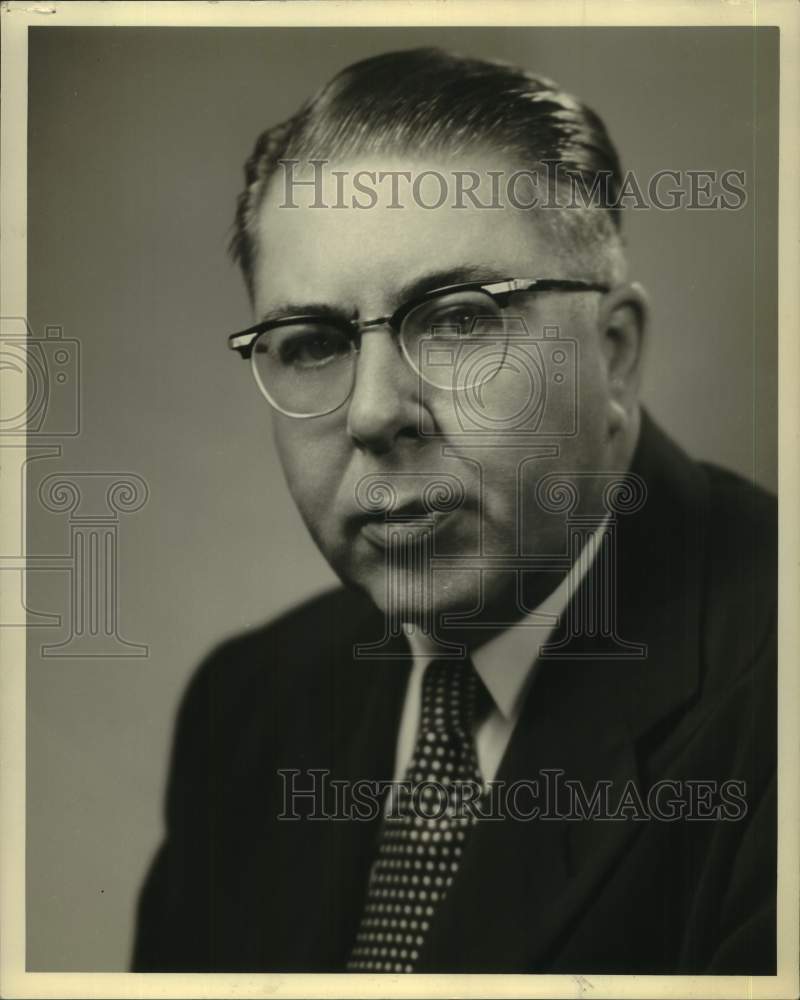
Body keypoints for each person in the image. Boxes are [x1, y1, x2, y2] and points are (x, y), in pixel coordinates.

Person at [132, 48, 776, 974]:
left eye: (460, 319)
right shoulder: (248, 706)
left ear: (616, 356)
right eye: (313, 341)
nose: (372, 413)